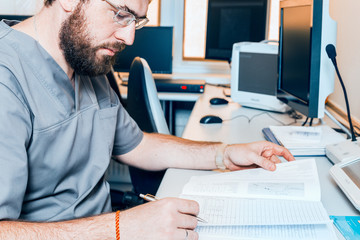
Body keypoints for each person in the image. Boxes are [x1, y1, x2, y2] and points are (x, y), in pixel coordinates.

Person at [0, 0, 295, 239]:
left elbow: (139, 146)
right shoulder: (7, 80)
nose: (129, 37)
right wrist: (121, 228)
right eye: (120, 14)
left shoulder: (87, 65)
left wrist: (224, 154)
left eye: (136, 22)